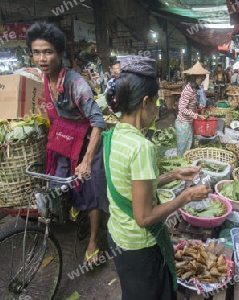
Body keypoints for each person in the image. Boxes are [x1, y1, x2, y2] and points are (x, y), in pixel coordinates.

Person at [103, 55, 212, 299]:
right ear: (145, 102)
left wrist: (173, 173)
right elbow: (144, 217)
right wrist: (186, 196)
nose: (158, 109)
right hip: (140, 246)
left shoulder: (113, 136)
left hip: (118, 236)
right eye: (156, 103)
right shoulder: (142, 147)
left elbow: (130, 187)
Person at [26, 22, 108, 266]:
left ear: (60, 54)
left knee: (91, 190)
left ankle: (94, 240)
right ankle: (75, 206)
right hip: (64, 141)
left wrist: (86, 160)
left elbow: (99, 122)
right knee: (58, 184)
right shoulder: (40, 79)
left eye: (48, 52)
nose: (42, 58)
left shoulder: (76, 84)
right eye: (36, 52)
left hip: (86, 142)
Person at [175, 61, 208, 156]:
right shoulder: (188, 89)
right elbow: (181, 108)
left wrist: (198, 105)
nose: (202, 80)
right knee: (183, 151)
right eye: (201, 78)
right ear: (195, 78)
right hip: (183, 123)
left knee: (188, 148)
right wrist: (197, 115)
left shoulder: (194, 89)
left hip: (188, 122)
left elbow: (190, 104)